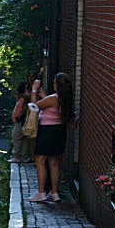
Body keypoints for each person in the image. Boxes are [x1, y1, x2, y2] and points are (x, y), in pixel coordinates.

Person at [28, 72, 74, 203]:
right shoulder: (66, 98)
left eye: (54, 82)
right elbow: (53, 108)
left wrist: (34, 90)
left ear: (57, 85)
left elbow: (34, 106)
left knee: (40, 160)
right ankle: (55, 193)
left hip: (47, 131)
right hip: (59, 131)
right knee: (54, 163)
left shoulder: (53, 98)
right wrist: (44, 97)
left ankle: (41, 192)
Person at [10, 81, 31, 162]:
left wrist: (16, 117)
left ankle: (16, 156)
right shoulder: (28, 97)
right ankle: (24, 156)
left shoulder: (23, 98)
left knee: (16, 137)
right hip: (25, 119)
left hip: (21, 119)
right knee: (24, 138)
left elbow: (20, 108)